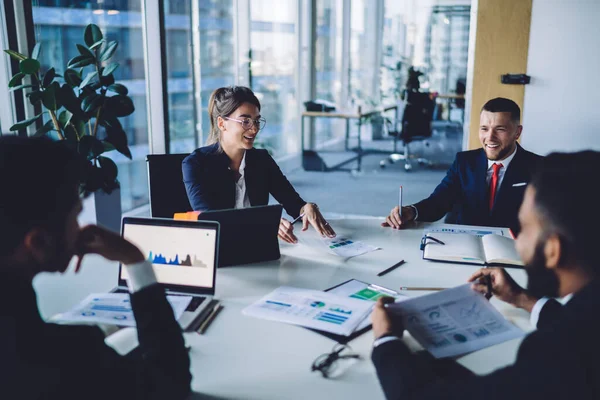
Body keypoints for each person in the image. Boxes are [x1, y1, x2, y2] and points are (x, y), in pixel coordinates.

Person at [371, 151, 600, 399]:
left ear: (553, 250)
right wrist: (523, 299)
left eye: (522, 229)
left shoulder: (557, 357)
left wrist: (386, 341)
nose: (518, 242)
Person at [0, 137, 191, 399]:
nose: (80, 228)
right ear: (39, 242)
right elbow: (169, 386)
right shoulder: (64, 357)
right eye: (76, 217)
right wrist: (134, 260)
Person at [183, 86, 336, 243]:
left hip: (257, 247)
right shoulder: (195, 164)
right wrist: (264, 222)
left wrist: (307, 208)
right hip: (218, 253)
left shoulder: (261, 160)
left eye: (256, 121)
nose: (254, 128)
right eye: (245, 121)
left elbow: (293, 203)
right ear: (222, 123)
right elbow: (211, 221)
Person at [383, 97, 542, 235]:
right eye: (484, 129)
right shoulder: (464, 161)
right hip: (464, 246)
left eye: (500, 129)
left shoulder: (540, 168)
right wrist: (411, 211)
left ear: (517, 132)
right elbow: (439, 201)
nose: (490, 137)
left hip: (512, 251)